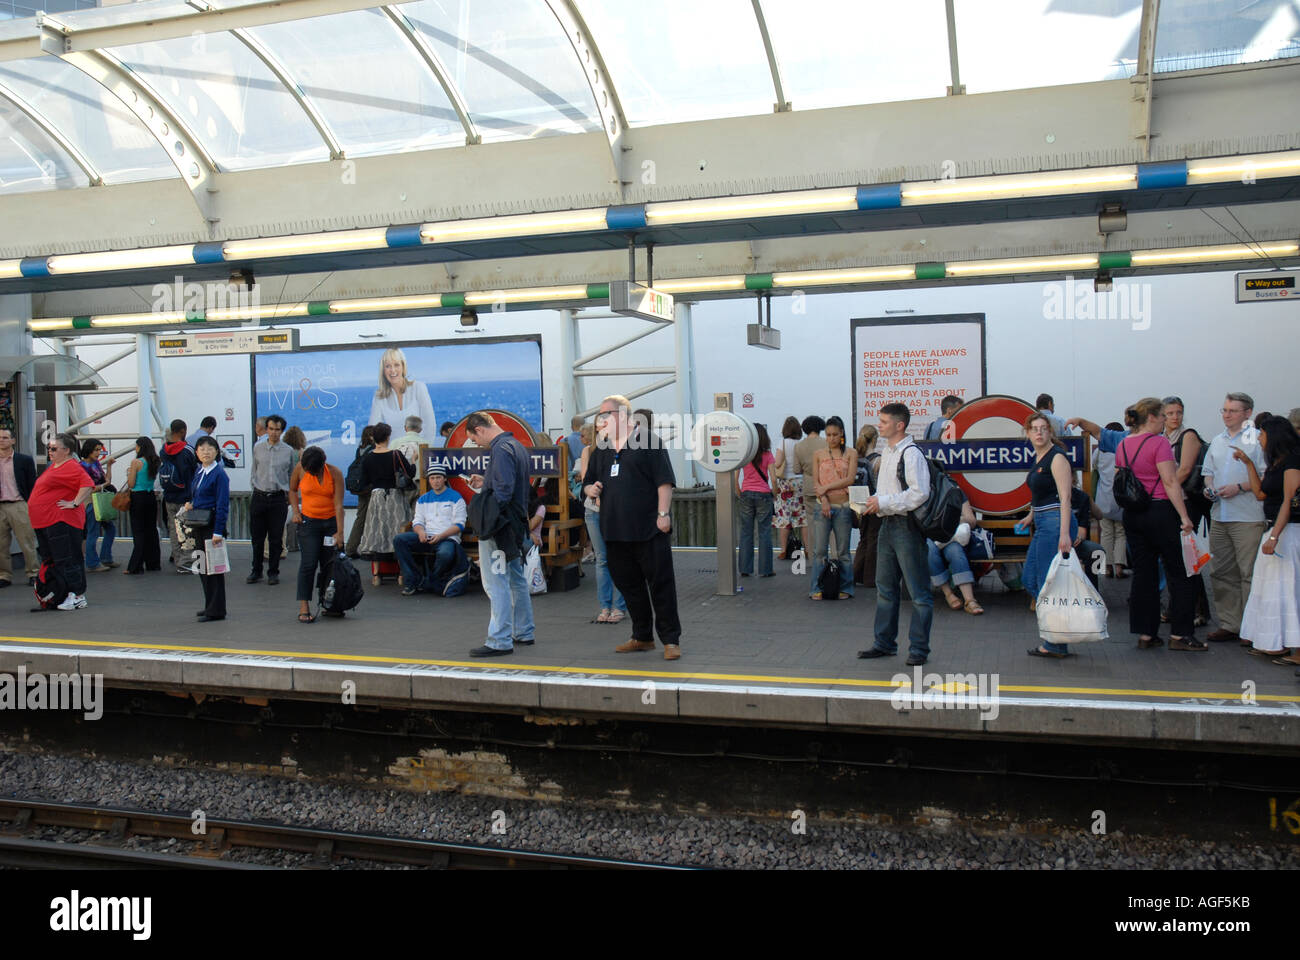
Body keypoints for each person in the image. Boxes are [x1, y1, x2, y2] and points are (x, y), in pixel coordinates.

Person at [583, 395, 680, 660]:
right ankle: (642, 636)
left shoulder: (649, 443)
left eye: (606, 415)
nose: (601, 420)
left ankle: (671, 640)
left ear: (623, 415)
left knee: (660, 584)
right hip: (614, 531)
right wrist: (590, 489)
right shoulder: (602, 450)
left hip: (649, 529)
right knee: (629, 586)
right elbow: (588, 483)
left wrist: (663, 514)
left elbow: (664, 482)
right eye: (599, 416)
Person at [1117, 398, 1200, 651]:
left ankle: (1146, 633)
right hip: (1161, 511)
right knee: (1182, 572)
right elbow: (1171, 482)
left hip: (1133, 514)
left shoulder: (1123, 444)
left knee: (1144, 574)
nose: (1166, 420)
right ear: (1151, 417)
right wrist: (1185, 517)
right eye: (1163, 416)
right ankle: (1180, 634)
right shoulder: (1159, 443)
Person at [858, 404, 933, 665]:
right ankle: (884, 643)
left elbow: (919, 493)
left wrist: (884, 502)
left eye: (884, 421)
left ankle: (919, 650)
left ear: (899, 425)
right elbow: (890, 491)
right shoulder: (888, 453)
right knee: (885, 588)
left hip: (906, 527)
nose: (880, 425)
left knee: (918, 592)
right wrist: (874, 503)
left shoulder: (911, 454)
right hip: (888, 525)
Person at [1201, 392, 1269, 644]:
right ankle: (1230, 623)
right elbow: (1208, 472)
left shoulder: (1258, 441)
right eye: (1224, 410)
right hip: (1220, 514)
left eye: (1232, 411)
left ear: (1247, 413)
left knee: (1248, 572)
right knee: (1221, 572)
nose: (1226, 415)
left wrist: (1239, 487)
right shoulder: (1218, 441)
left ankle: (1253, 627)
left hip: (1247, 515)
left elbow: (1265, 476)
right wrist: (1209, 487)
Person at [466, 411, 535, 657]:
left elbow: (503, 492)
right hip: (515, 523)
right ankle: (524, 631)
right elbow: (511, 485)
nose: (477, 444)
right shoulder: (515, 445)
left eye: (474, 439)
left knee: (496, 582)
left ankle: (499, 639)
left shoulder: (500, 449)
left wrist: (487, 509)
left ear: (480, 429)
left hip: (499, 526)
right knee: (516, 578)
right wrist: (486, 481)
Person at [1237, 417, 1300, 663]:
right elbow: (1261, 493)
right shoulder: (1278, 463)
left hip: (1289, 531)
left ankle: (1294, 648)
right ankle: (1276, 642)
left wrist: (1274, 535)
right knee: (1272, 588)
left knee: (1288, 588)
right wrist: (1249, 464)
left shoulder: (1294, 461)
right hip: (1277, 529)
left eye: (1262, 434)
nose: (1260, 439)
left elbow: (1289, 501)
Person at [1014, 412, 1078, 656]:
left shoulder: (1057, 458)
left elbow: (1065, 497)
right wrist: (1031, 515)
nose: (1039, 433)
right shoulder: (1040, 457)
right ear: (1028, 433)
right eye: (1034, 429)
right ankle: (1057, 638)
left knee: (1044, 584)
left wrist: (1065, 535)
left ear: (1050, 432)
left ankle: (1055, 643)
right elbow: (1041, 493)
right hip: (1043, 521)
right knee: (1032, 580)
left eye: (1043, 428)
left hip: (1055, 523)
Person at [30, 432, 93, 610]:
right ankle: (63, 593)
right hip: (47, 522)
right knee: (56, 560)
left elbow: (87, 484)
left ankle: (77, 594)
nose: (50, 451)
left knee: (68, 559)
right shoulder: (56, 466)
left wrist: (74, 503)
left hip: (61, 521)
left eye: (54, 448)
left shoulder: (71, 466)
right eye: (49, 448)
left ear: (66, 450)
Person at [1163, 396, 1209, 624]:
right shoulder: (1161, 437)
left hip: (1187, 501)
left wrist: (1163, 490)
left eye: (1178, 412)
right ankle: (1176, 607)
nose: (1174, 417)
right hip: (1170, 501)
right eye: (1170, 413)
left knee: (1189, 557)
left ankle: (1199, 609)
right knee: (1174, 558)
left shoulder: (1188, 435)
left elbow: (1184, 470)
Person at [290, 445, 346, 623]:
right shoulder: (300, 468)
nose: (311, 473)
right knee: (308, 563)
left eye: (314, 471)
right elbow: (292, 490)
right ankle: (304, 605)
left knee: (329, 564)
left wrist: (340, 532)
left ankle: (329, 603)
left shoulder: (335, 473)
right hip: (309, 523)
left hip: (329, 523)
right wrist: (296, 511)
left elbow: (338, 505)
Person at [393, 463, 467, 597]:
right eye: (432, 478)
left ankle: (430, 581)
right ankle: (413, 580)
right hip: (426, 536)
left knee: (446, 553)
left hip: (446, 538)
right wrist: (421, 532)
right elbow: (417, 521)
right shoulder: (423, 499)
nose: (435, 481)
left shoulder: (456, 497)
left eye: (438, 477)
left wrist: (441, 536)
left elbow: (459, 525)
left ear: (444, 479)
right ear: (429, 480)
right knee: (399, 540)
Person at [579, 422, 626, 624]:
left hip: (615, 511)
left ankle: (619, 606)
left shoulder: (623, 450)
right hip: (594, 510)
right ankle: (605, 606)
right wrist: (592, 490)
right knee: (602, 559)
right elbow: (585, 480)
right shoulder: (590, 451)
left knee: (618, 557)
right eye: (599, 426)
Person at [809, 416, 857, 599]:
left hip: (843, 505)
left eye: (835, 434)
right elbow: (816, 481)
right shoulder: (818, 454)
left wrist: (826, 488)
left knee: (843, 551)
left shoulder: (851, 453)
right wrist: (824, 498)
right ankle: (816, 587)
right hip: (823, 506)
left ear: (842, 433)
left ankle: (846, 587)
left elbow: (850, 479)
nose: (831, 438)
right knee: (819, 550)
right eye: (828, 435)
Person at [184, 435, 230, 622]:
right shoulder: (199, 471)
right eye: (202, 449)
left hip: (211, 526)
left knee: (214, 570)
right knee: (203, 567)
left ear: (216, 452)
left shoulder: (219, 474)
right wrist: (191, 504)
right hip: (198, 525)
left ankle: (217, 610)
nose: (205, 452)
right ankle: (209, 604)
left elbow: (222, 504)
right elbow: (196, 495)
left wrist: (218, 531)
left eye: (210, 448)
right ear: (196, 452)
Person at [356, 422, 415, 558]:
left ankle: (376, 575)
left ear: (373, 438)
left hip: (377, 497)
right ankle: (400, 573)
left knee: (377, 531)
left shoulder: (368, 457)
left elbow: (364, 482)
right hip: (395, 496)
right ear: (388, 437)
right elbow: (410, 473)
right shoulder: (396, 454)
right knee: (398, 530)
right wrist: (413, 460)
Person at [247, 414, 293, 586]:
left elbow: (290, 473)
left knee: (276, 538)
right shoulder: (257, 447)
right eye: (271, 429)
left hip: (278, 498)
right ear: (266, 429)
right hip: (259, 496)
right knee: (257, 538)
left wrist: (288, 493)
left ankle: (273, 572)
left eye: (277, 429)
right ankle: (256, 570)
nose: (274, 433)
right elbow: (254, 469)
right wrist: (254, 486)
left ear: (282, 431)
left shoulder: (288, 450)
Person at [368, 348, 437, 446]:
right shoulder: (379, 396)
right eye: (388, 366)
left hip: (419, 456)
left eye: (396, 365)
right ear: (383, 371)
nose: (393, 370)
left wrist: (423, 454)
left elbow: (430, 426)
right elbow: (372, 430)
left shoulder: (418, 387)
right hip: (392, 457)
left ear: (403, 367)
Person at [0, 426, 39, 588]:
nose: (1, 440)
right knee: (1, 544)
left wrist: (31, 504)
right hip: (1, 506)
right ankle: (4, 575)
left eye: (5, 438)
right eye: (0, 438)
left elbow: (33, 484)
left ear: (13, 440)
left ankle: (33, 573)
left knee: (27, 542)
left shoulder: (24, 460)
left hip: (19, 505)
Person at [929, 499, 983, 615]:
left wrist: (953, 520)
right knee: (929, 550)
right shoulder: (922, 490)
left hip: (951, 536)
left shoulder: (955, 492)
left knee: (955, 551)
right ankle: (948, 593)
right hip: (930, 536)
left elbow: (972, 521)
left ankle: (969, 599)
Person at [736, 422, 776, 579]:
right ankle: (766, 570)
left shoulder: (744, 454)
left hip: (746, 493)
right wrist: (774, 493)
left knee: (746, 532)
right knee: (764, 532)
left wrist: (739, 492)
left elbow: (735, 477)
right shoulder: (768, 455)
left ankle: (745, 569)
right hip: (764, 495)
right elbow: (774, 478)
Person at [159, 419, 199, 572]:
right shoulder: (187, 450)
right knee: (187, 529)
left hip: (169, 496)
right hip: (186, 497)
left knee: (173, 529)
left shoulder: (164, 450)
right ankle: (188, 560)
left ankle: (179, 561)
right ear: (183, 431)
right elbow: (194, 472)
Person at [1094, 420, 1128, 578]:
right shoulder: (1124, 447)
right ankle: (1120, 566)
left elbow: (1093, 467)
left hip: (1104, 498)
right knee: (1121, 533)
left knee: (1106, 533)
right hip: (1121, 498)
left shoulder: (1100, 451)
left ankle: (1106, 567)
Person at [123, 436, 160, 575]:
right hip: (150, 497)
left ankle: (136, 565)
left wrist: (129, 474)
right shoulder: (155, 461)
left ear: (140, 447)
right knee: (151, 530)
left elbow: (131, 484)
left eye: (136, 446)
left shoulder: (136, 462)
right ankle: (153, 563)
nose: (135, 448)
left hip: (138, 497)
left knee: (138, 531)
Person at [79, 438, 117, 572]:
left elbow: (107, 480)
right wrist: (105, 484)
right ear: (88, 450)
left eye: (99, 450)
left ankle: (105, 558)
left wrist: (110, 467)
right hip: (89, 501)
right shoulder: (82, 466)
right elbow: (90, 487)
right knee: (93, 532)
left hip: (99, 499)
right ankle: (93, 562)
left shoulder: (96, 464)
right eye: (96, 450)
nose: (98, 453)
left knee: (110, 529)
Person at [792, 415, 827, 556]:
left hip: (808, 485)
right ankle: (834, 556)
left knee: (811, 523)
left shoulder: (798, 446)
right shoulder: (826, 443)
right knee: (829, 522)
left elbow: (796, 469)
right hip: (826, 484)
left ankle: (814, 557)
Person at [772, 416, 805, 561]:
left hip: (785, 483)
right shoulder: (801, 444)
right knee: (803, 518)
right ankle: (808, 549)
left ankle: (784, 550)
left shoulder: (783, 443)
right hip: (800, 482)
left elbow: (778, 463)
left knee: (784, 517)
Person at [853, 424, 881, 587]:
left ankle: (856, 574)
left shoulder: (855, 457)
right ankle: (871, 578)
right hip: (874, 503)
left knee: (863, 539)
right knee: (874, 539)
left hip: (858, 503)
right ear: (875, 439)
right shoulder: (878, 459)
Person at [344, 425, 377, 558]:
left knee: (360, 517)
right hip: (370, 488)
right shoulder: (373, 450)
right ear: (371, 436)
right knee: (372, 518)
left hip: (360, 488)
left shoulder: (360, 449)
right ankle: (368, 547)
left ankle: (351, 547)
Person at [281, 425, 307, 553]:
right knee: (297, 515)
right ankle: (296, 543)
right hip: (299, 488)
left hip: (287, 487)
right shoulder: (301, 452)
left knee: (287, 515)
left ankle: (287, 543)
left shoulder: (285, 451)